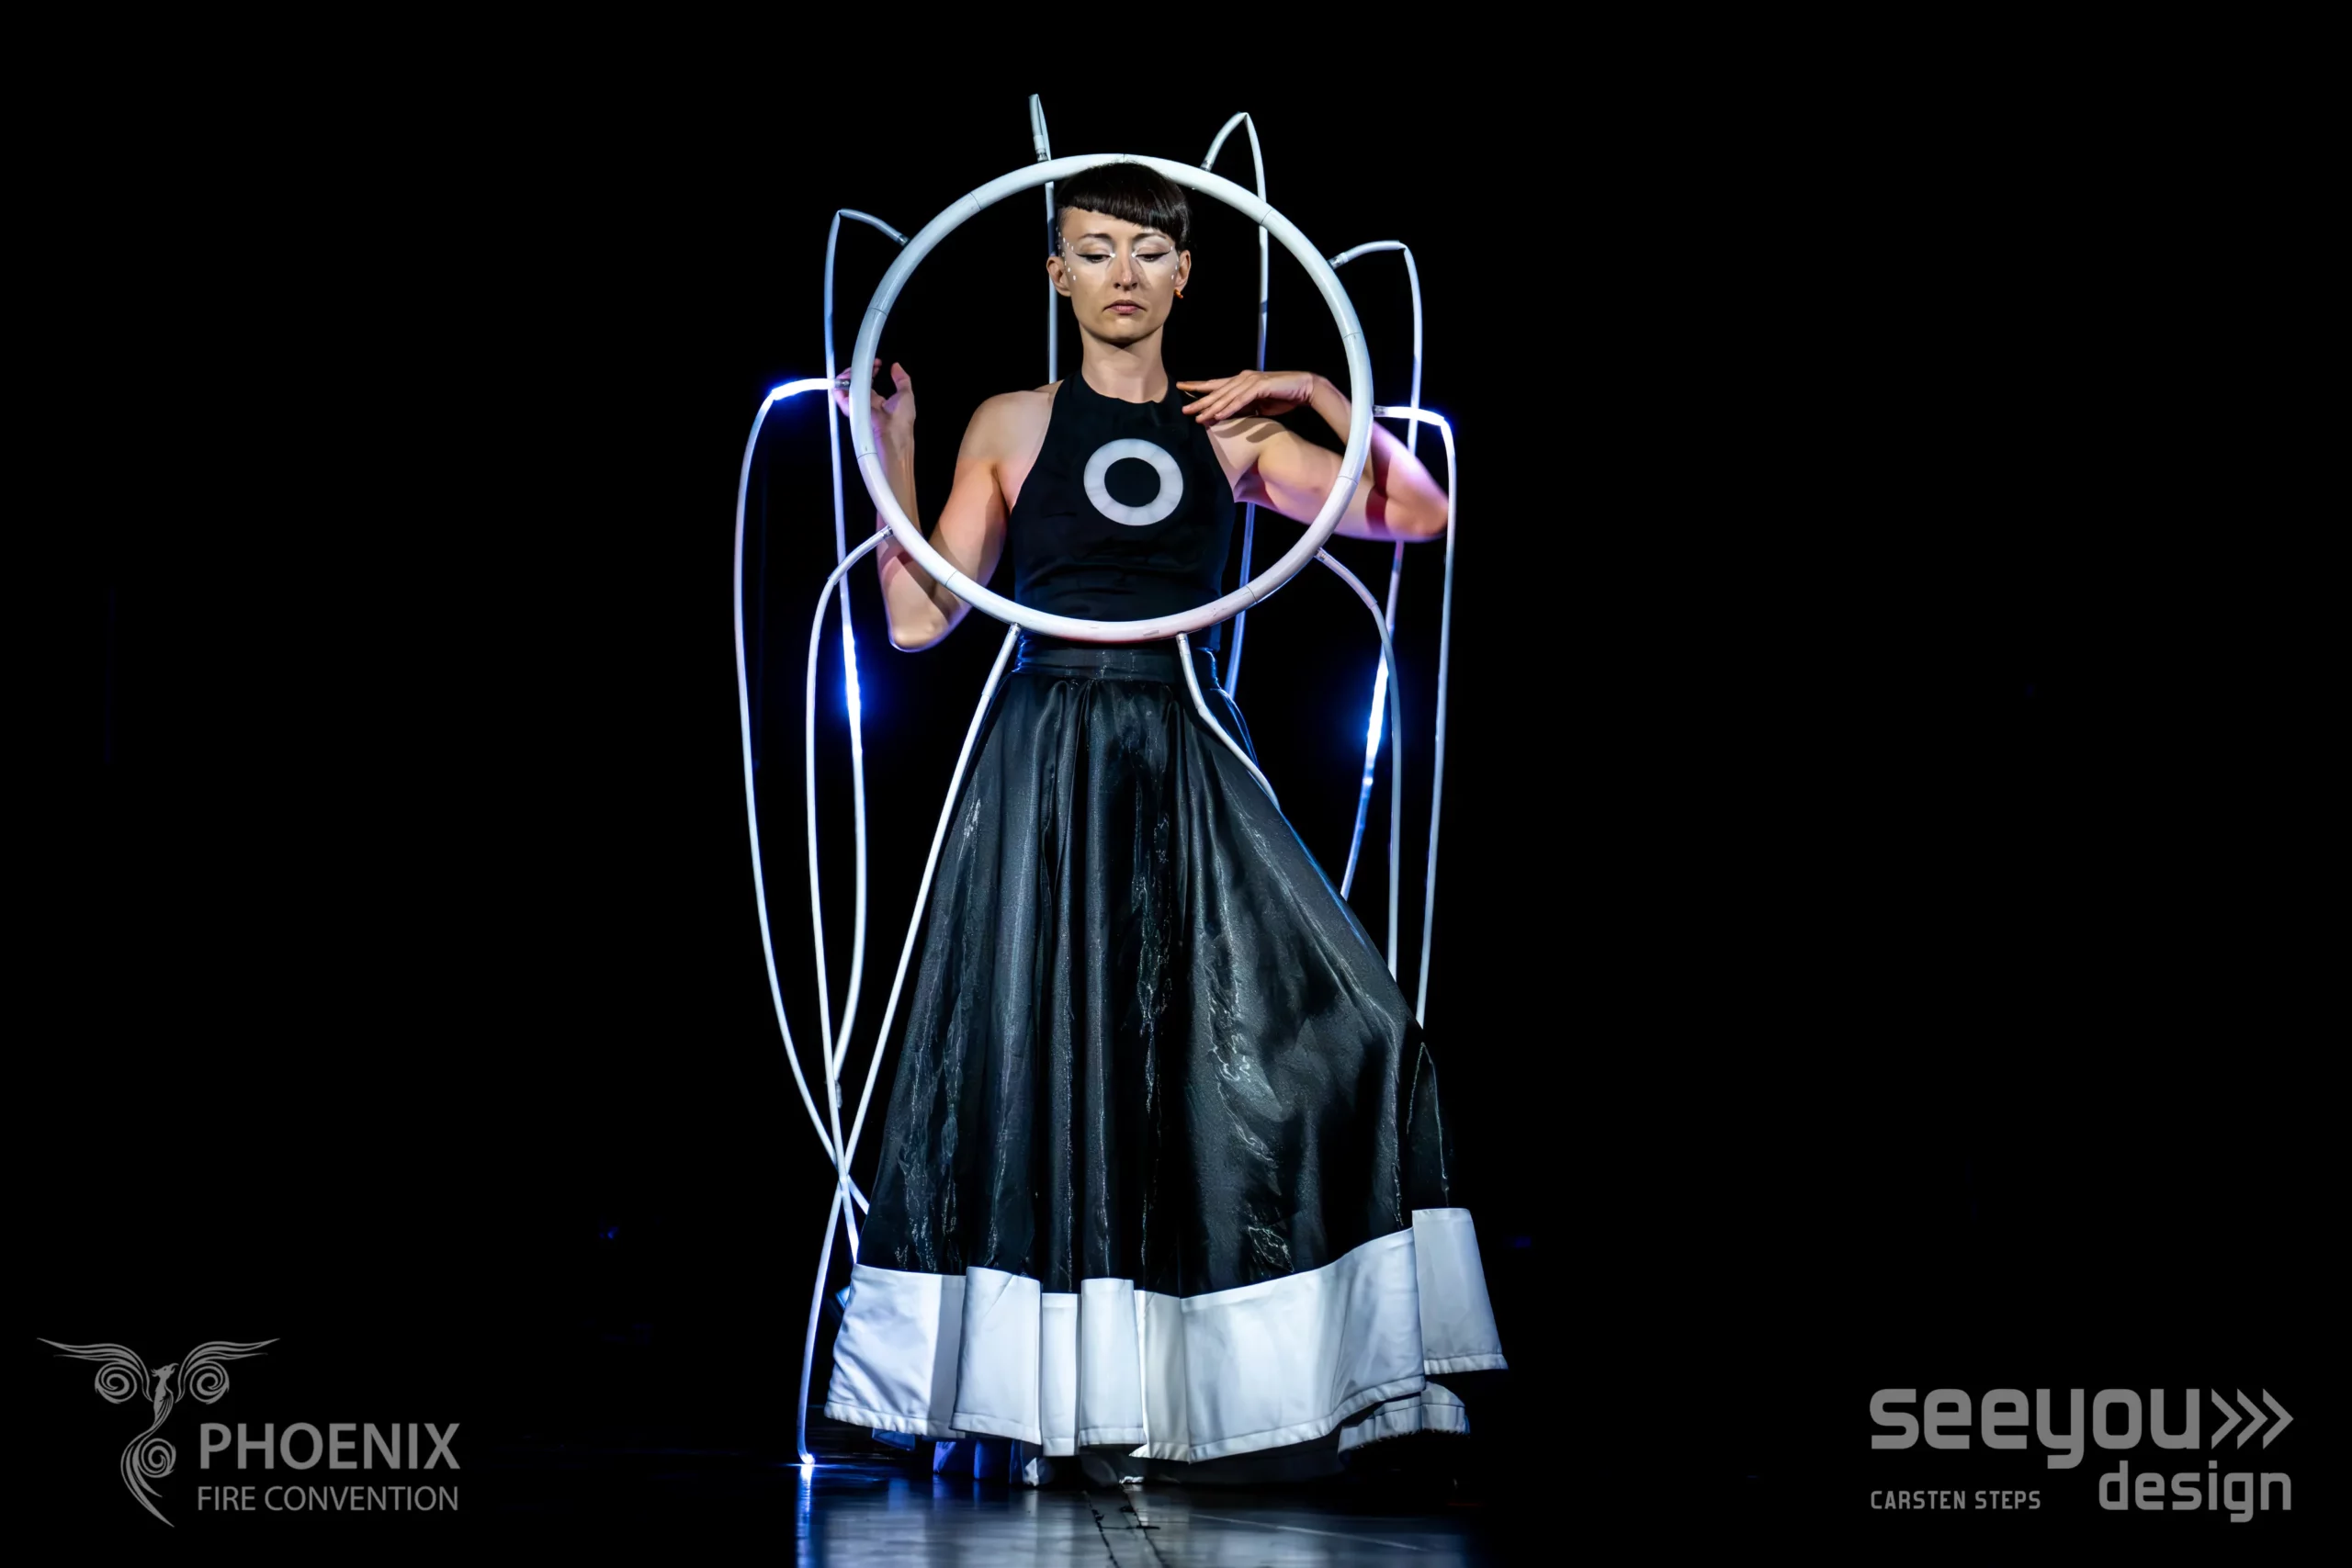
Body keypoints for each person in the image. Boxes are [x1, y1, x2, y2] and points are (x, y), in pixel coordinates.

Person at [821, 163, 1503, 1484]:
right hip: (1044, 756)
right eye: (1094, 250)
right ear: (1056, 274)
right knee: (1045, 1058)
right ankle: (1060, 1404)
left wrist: (1317, 393)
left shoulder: (1229, 434)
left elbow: (1422, 513)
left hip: (1182, 747)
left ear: (1185, 274)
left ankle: (1229, 1384)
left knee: (1338, 1033)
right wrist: (891, 452)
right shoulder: (1015, 421)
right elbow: (916, 619)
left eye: (1146, 251)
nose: (1121, 274)